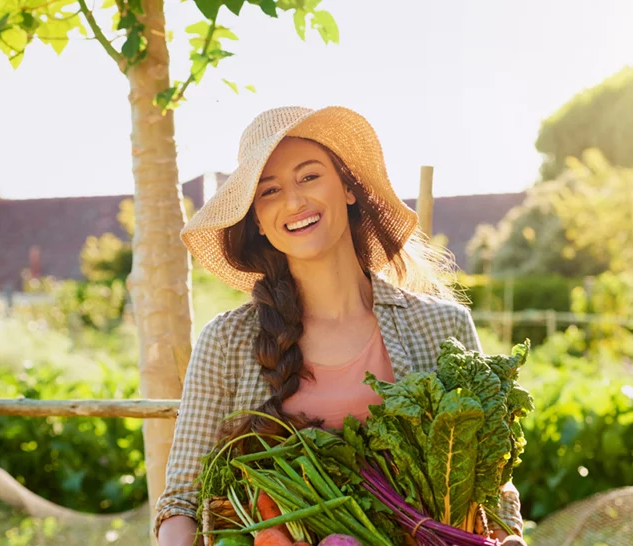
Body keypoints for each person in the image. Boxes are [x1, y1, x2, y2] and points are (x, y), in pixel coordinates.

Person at [155, 106, 525, 546]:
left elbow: (491, 484)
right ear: (257, 219)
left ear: (349, 188)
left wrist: (508, 537)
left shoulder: (441, 326)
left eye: (309, 177)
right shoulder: (227, 341)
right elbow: (180, 502)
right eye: (269, 191)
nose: (293, 202)